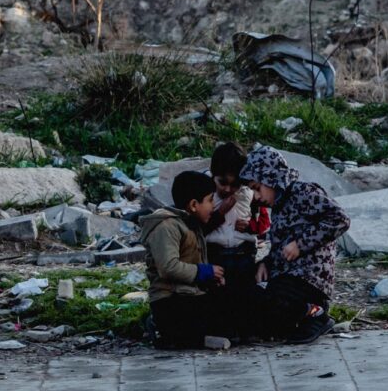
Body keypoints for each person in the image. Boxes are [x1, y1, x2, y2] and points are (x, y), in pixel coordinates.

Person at [241, 145, 350, 344]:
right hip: (286, 276)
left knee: (277, 301)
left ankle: (316, 314)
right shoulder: (278, 205)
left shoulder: (303, 192)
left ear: (271, 178)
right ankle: (301, 320)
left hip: (309, 278)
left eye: (257, 188)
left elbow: (340, 219)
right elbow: (279, 247)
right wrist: (265, 263)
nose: (256, 196)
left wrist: (301, 244)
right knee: (252, 300)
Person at [139, 169, 238, 349]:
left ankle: (196, 337)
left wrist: (211, 280)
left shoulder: (191, 224)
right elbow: (168, 267)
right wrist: (203, 272)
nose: (213, 206)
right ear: (193, 205)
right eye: (209, 200)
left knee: (234, 303)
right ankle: (164, 331)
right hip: (170, 300)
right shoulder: (167, 226)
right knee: (212, 319)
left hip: (190, 295)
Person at [205, 142, 259, 294]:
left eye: (234, 184)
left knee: (242, 294)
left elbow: (263, 223)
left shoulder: (249, 193)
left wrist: (249, 227)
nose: (228, 189)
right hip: (214, 254)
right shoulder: (205, 193)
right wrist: (220, 213)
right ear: (213, 174)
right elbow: (197, 229)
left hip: (243, 254)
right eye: (222, 182)